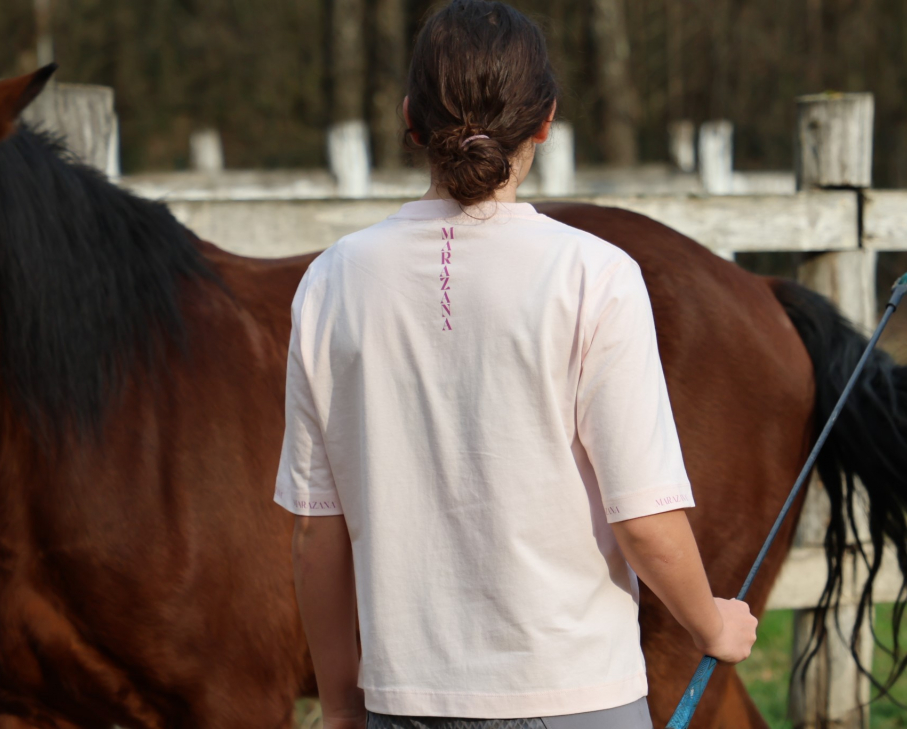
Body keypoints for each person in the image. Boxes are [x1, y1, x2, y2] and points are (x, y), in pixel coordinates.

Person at [275, 2, 758, 727]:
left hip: (404, 704)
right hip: (577, 697)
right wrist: (712, 625)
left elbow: (318, 532)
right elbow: (646, 519)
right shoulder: (596, 276)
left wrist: (343, 705)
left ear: (410, 119)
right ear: (546, 122)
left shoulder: (332, 281)